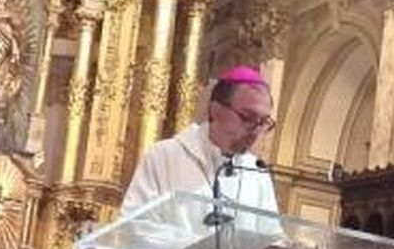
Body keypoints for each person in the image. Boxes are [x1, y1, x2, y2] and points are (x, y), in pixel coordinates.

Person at [119, 66, 279, 217]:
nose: (255, 130)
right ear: (215, 110)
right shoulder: (164, 157)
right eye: (247, 117)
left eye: (263, 122)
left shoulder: (256, 173)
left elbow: (270, 233)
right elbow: (136, 224)